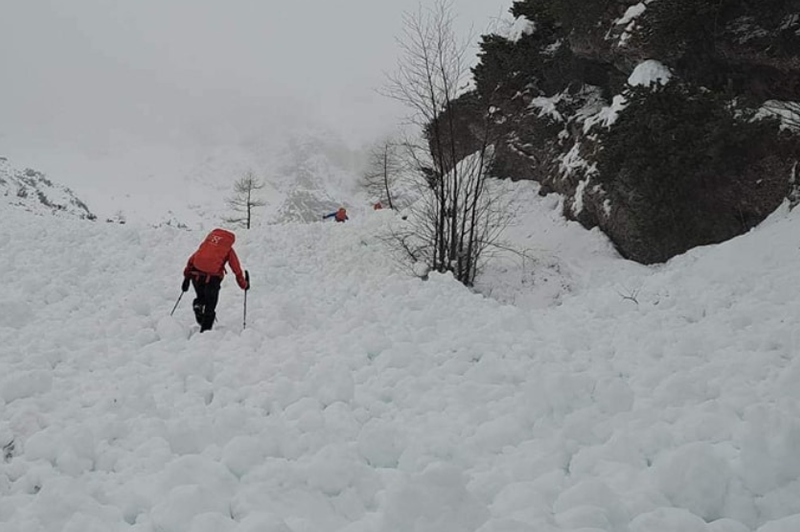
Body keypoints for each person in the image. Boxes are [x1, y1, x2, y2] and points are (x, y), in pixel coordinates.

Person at [181, 228, 248, 332]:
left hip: (196, 275)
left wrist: (186, 278)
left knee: (201, 297)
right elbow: (236, 269)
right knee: (210, 305)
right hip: (212, 279)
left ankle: (198, 304)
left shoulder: (207, 245)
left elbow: (192, 259)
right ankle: (205, 334)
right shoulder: (228, 250)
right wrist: (243, 284)